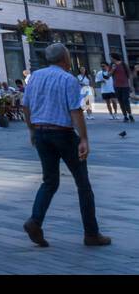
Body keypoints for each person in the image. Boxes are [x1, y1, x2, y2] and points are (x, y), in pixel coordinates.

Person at [22, 42, 109, 247]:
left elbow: (25, 106)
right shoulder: (68, 79)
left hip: (42, 133)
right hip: (63, 134)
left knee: (49, 181)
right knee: (83, 184)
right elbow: (75, 111)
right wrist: (84, 138)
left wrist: (31, 129)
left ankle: (35, 221)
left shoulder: (35, 77)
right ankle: (91, 233)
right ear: (65, 58)